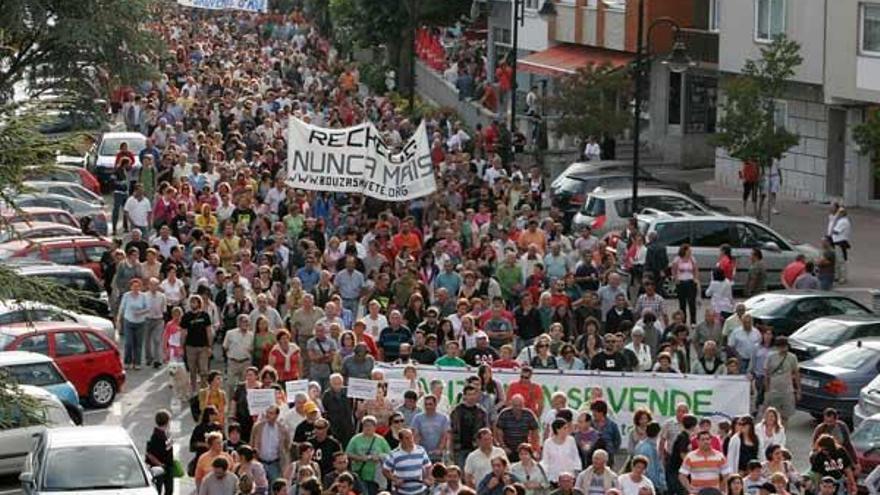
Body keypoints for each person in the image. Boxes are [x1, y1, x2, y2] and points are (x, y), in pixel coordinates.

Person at [346, 415, 391, 495]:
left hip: (376, 475)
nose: (368, 428)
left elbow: (390, 455)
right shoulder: (356, 439)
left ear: (375, 427)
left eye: (370, 425)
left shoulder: (380, 440)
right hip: (360, 473)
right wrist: (360, 458)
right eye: (366, 425)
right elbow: (348, 454)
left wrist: (379, 456)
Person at [679, 429, 731, 494]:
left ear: (711, 440)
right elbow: (682, 475)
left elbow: (727, 474)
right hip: (696, 492)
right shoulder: (690, 456)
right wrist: (689, 489)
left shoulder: (720, 456)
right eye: (703, 440)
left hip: (714, 492)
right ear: (697, 441)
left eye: (708, 439)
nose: (706, 442)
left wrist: (721, 489)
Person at [251, 405, 292, 483]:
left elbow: (287, 445)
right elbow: (252, 443)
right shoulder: (258, 427)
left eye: (271, 413)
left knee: (275, 486)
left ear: (276, 415)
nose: (268, 415)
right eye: (267, 412)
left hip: (275, 464)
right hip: (260, 462)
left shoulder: (283, 429)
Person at [541, 418, 581, 483]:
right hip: (553, 477)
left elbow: (576, 457)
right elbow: (545, 461)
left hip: (569, 477)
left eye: (567, 428)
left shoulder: (571, 440)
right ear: (558, 429)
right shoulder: (548, 443)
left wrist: (577, 471)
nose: (567, 430)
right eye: (564, 428)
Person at [147, 409, 175, 495]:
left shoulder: (165, 434)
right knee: (158, 490)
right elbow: (150, 454)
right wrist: (160, 465)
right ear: (167, 421)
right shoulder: (156, 436)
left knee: (169, 490)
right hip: (159, 468)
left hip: (167, 467)